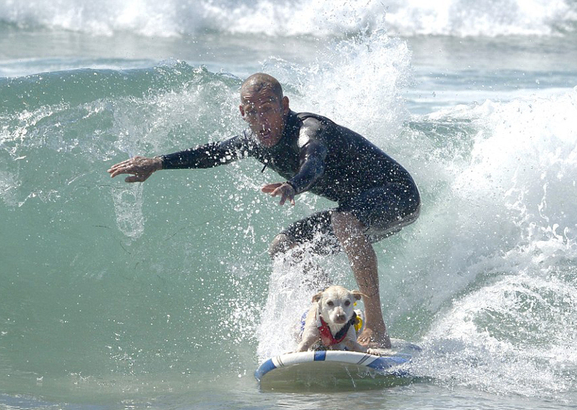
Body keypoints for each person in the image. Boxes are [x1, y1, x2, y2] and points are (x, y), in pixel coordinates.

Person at [107, 73, 420, 348]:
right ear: (243, 113)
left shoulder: (311, 132)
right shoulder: (254, 141)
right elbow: (213, 153)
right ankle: (339, 325)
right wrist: (158, 163)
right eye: (252, 112)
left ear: (284, 106)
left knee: (344, 219)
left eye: (268, 109)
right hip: (355, 209)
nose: (261, 120)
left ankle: (377, 329)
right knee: (284, 246)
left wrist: (294, 185)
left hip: (398, 195)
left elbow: (313, 162)